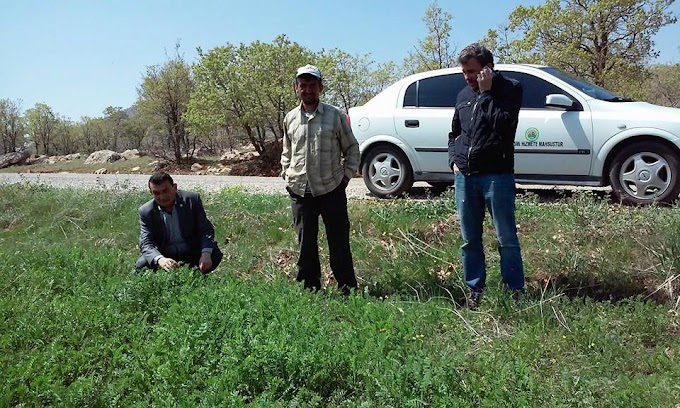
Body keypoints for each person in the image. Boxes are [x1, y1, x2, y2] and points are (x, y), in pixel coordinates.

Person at [447, 43, 525, 307]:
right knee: (470, 239)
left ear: (487, 69)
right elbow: (454, 133)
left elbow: (503, 125)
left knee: (506, 238)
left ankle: (514, 291)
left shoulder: (510, 89)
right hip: (466, 178)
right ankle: (474, 290)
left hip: (497, 176)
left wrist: (486, 93)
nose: (467, 77)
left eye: (471, 71)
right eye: (464, 72)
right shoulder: (461, 96)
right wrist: (454, 160)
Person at [280, 64, 360, 294]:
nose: (307, 90)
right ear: (296, 89)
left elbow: (352, 149)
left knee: (339, 243)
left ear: (320, 88)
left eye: (312, 85)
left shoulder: (335, 116)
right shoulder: (290, 118)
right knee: (306, 244)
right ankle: (310, 290)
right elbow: (287, 150)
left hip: (331, 188)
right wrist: (286, 173)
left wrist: (346, 177)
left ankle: (347, 290)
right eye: (302, 85)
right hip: (300, 190)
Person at [135, 171, 222, 274]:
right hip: (165, 253)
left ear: (174, 187)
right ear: (151, 193)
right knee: (141, 265)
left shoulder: (191, 200)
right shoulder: (146, 211)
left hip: (191, 249)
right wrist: (160, 259)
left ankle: (195, 275)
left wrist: (206, 253)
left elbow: (205, 230)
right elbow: (146, 243)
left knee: (213, 254)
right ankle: (170, 277)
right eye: (156, 193)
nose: (162, 197)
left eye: (165, 191)